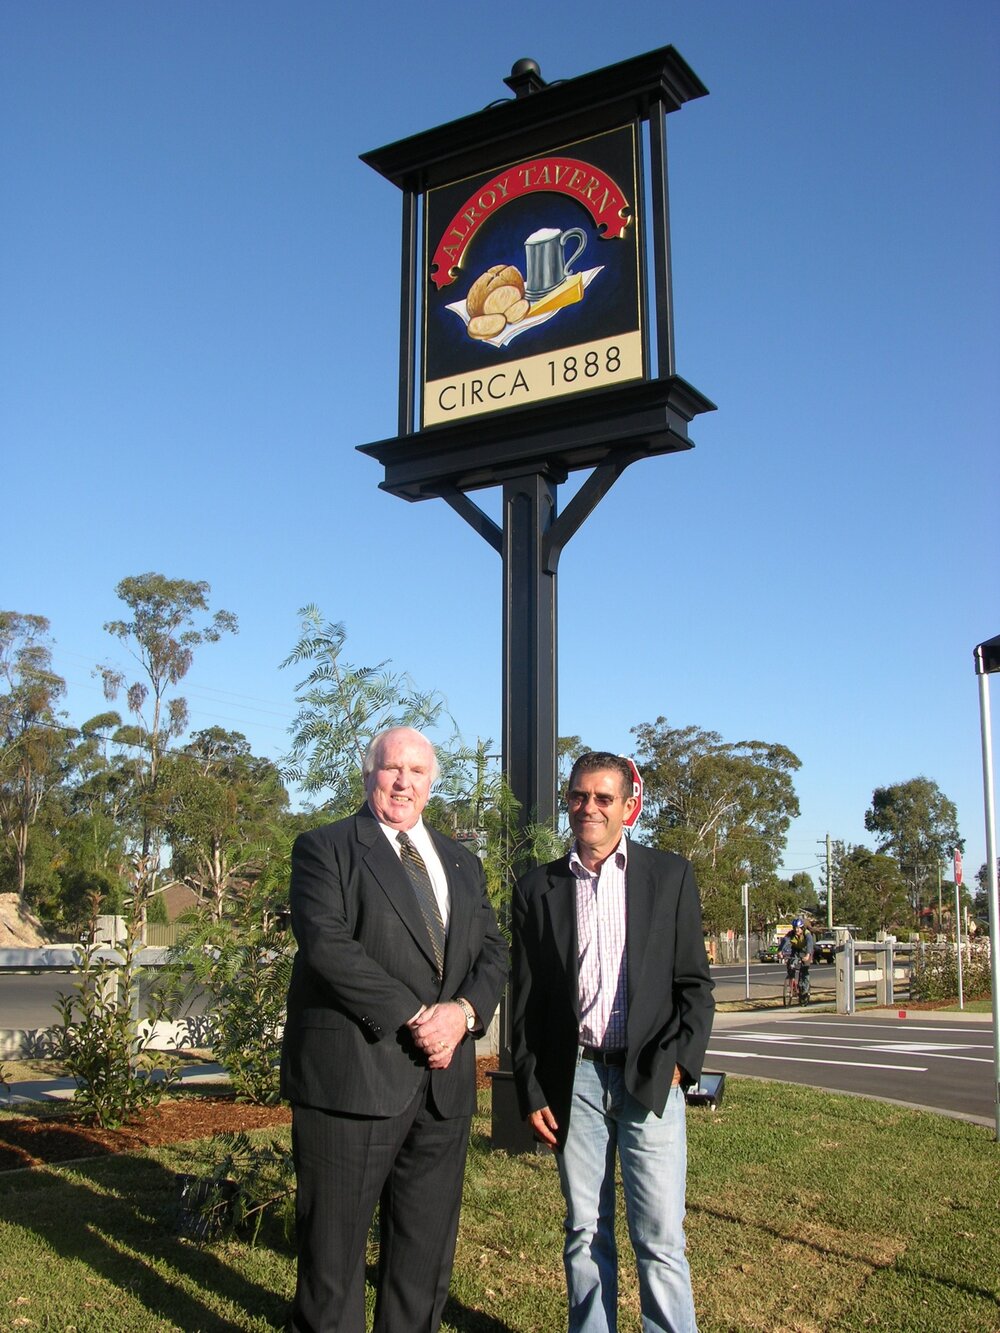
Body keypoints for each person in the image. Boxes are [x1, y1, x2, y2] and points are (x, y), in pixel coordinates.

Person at [281, 726, 508, 1333]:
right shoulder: (325, 848)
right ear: (368, 776)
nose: (403, 781)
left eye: (416, 771)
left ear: (432, 783)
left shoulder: (462, 862)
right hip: (352, 1082)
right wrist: (416, 1018)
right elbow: (328, 947)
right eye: (391, 769)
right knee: (333, 1264)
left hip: (443, 1089)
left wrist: (460, 1015)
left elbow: (492, 953)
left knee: (422, 1262)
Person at [511, 752, 715, 1333]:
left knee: (660, 1237)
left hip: (649, 1076)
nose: (588, 808)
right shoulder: (537, 888)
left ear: (630, 806)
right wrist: (531, 1089)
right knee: (584, 1232)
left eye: (603, 798)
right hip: (573, 1080)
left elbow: (695, 986)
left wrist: (680, 1063)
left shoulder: (669, 876)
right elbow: (524, 1003)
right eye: (578, 796)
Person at [779, 917, 814, 995]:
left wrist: (808, 955)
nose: (796, 930)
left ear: (801, 928)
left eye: (798, 928)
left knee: (804, 970)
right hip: (796, 950)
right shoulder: (791, 934)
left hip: (805, 951)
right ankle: (792, 986)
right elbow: (785, 941)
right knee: (791, 965)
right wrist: (780, 951)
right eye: (795, 928)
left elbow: (809, 944)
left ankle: (804, 990)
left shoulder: (807, 934)